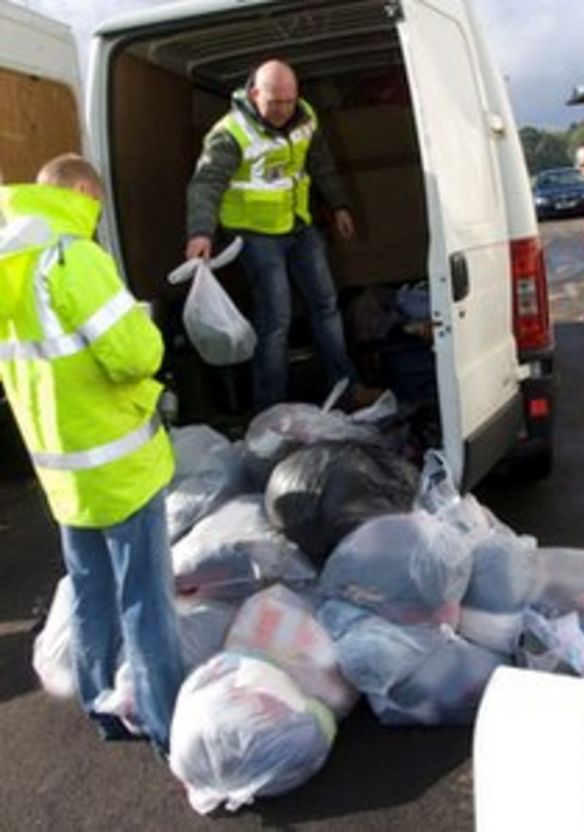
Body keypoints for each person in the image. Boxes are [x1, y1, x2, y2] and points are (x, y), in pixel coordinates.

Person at [0, 154, 184, 755]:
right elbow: (135, 355)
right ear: (83, 192)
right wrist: (147, 329)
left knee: (89, 592)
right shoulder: (72, 257)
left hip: (62, 470)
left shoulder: (11, 263)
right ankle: (168, 727)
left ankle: (101, 707)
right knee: (145, 603)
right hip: (118, 466)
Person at [186, 59, 373, 412]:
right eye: (275, 102)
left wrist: (339, 205)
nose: (284, 110)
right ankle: (269, 408)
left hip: (299, 226)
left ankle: (346, 387)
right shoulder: (229, 133)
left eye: (290, 101)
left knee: (326, 305)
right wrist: (200, 232)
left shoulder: (305, 117)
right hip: (255, 235)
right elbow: (205, 184)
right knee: (276, 319)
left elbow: (320, 164)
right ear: (255, 93)